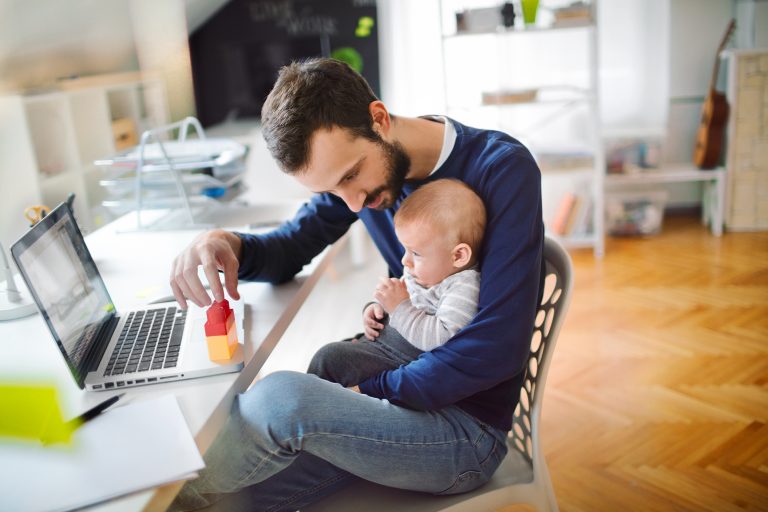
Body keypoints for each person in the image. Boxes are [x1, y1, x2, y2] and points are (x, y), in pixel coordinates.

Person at [168, 57, 544, 512]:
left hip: (463, 428)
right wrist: (223, 241)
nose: (353, 202)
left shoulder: (501, 169)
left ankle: (173, 496)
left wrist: (375, 391)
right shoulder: (359, 180)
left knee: (280, 400)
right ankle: (189, 496)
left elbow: (495, 350)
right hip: (406, 376)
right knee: (253, 470)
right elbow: (291, 246)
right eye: (332, 191)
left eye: (349, 176)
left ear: (379, 119)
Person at [307, 178, 486, 388]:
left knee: (329, 358)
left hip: (402, 360)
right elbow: (398, 304)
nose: (405, 261)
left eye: (416, 253)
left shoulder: (463, 286)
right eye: (405, 250)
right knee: (338, 352)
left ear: (458, 256)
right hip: (384, 344)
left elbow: (441, 338)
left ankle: (306, 408)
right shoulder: (422, 272)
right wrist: (376, 310)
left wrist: (400, 306)